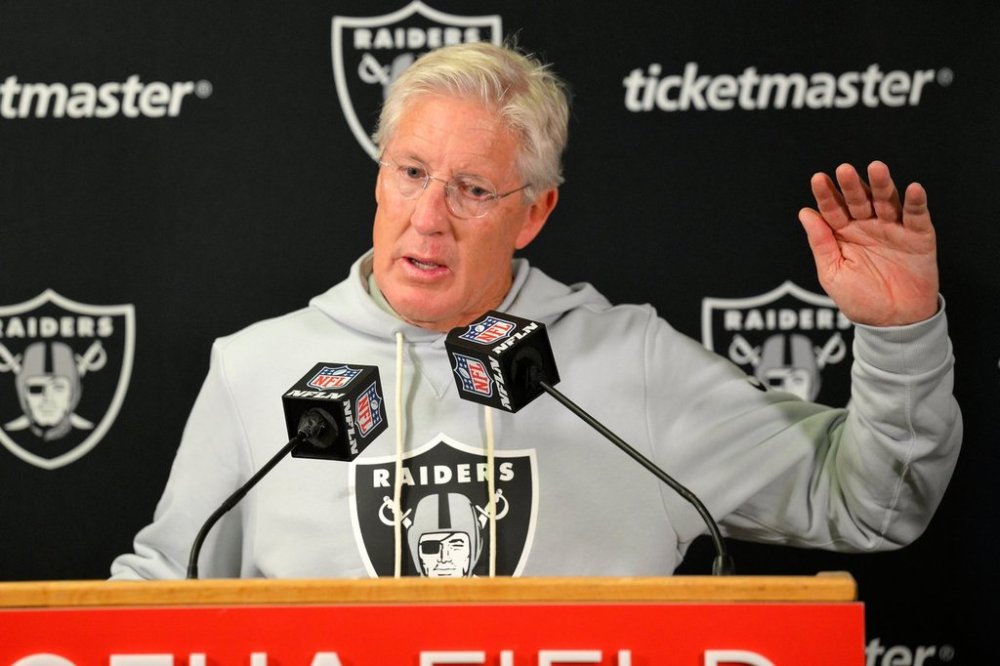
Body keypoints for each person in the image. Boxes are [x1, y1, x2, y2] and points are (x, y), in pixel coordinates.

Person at [110, 41, 961, 580]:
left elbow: (870, 503)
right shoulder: (257, 368)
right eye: (410, 173)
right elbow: (161, 593)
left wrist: (899, 336)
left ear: (534, 213)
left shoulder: (627, 365)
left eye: (473, 189)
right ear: (378, 174)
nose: (428, 217)